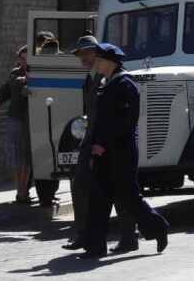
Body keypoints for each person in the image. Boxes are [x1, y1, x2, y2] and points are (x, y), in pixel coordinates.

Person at [81, 43, 168, 259]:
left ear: (111, 62)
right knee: (98, 198)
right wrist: (96, 146)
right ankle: (94, 247)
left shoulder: (124, 84)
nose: (96, 63)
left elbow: (126, 122)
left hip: (121, 152)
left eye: (99, 60)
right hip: (104, 152)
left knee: (129, 196)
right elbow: (101, 121)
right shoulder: (107, 83)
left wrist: (104, 143)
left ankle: (158, 228)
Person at [63, 36, 138, 254]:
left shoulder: (110, 78)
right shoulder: (90, 78)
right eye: (80, 54)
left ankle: (129, 236)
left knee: (117, 189)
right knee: (81, 184)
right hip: (91, 139)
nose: (84, 58)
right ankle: (83, 235)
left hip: (106, 141)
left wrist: (102, 142)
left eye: (88, 53)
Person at [0, 45, 34, 204]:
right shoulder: (16, 73)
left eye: (27, 58)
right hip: (16, 118)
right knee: (17, 155)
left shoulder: (38, 72)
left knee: (27, 156)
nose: (24, 61)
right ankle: (19, 191)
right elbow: (9, 86)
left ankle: (24, 190)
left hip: (31, 118)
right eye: (22, 58)